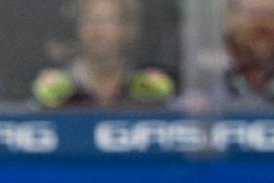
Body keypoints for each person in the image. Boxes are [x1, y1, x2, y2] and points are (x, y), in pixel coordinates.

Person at [32, 0, 174, 108]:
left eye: (107, 21)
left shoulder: (146, 87)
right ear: (77, 27)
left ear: (128, 29)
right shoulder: (55, 88)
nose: (97, 30)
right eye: (89, 20)